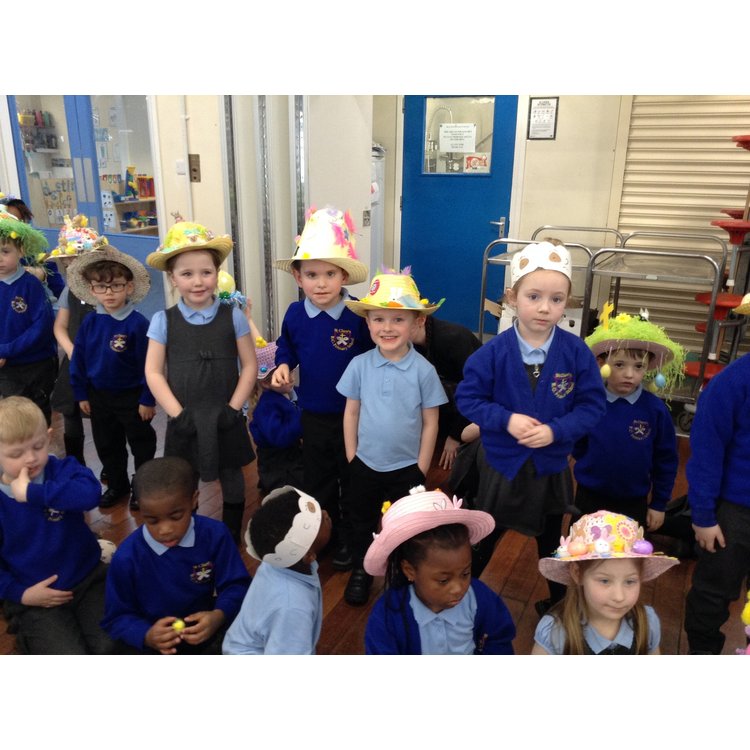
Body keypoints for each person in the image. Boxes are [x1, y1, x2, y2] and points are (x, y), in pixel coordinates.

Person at [455, 241, 607, 605]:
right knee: (488, 534)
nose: (544, 307)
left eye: (556, 299)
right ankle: (460, 600)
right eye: (534, 296)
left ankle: (558, 607)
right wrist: (505, 420)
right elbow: (468, 399)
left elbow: (592, 405)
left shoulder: (575, 352)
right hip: (502, 466)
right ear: (512, 297)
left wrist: (557, 430)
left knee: (552, 540)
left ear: (567, 302)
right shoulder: (491, 352)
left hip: (550, 467)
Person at [336, 268, 448, 605]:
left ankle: (401, 572)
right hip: (365, 462)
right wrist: (352, 456)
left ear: (416, 324)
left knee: (408, 524)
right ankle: (362, 568)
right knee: (360, 518)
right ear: (368, 324)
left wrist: (422, 466)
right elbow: (351, 412)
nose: (387, 327)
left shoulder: (424, 372)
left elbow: (431, 423)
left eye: (398, 320)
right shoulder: (359, 365)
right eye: (379, 319)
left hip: (407, 467)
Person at [271, 206, 372, 570]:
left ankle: (348, 534)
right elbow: (288, 346)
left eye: (330, 273)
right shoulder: (295, 314)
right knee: (318, 479)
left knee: (352, 477)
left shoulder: (358, 315)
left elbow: (374, 359)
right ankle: (323, 532)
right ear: (298, 277)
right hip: (312, 414)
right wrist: (283, 365)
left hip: (354, 416)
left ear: (344, 275)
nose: (322, 283)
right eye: (312, 274)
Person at [145, 220, 257, 543]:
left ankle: (232, 535)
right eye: (187, 274)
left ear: (217, 272)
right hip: (185, 417)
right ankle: (187, 533)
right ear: (172, 278)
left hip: (226, 414)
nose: (198, 282)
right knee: (183, 477)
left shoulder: (232, 315)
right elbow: (153, 372)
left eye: (206, 272)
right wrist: (177, 414)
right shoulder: (162, 321)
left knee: (232, 475)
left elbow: (249, 365)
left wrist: (234, 409)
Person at [101, 456, 251, 654]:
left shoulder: (215, 535)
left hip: (206, 629)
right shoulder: (127, 557)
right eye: (152, 520)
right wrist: (146, 634)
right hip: (152, 640)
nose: (165, 530)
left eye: (176, 516)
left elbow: (237, 585)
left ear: (194, 500)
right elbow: (116, 616)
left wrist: (219, 615)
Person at [0, 396, 113, 654]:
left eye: (38, 446)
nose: (30, 458)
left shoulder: (62, 468)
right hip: (35, 595)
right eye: (16, 454)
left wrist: (34, 494)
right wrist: (22, 594)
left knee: (110, 645)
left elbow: (90, 495)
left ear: (49, 436)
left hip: (87, 578)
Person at [363, 485, 515, 654]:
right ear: (409, 570)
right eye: (443, 580)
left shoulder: (481, 598)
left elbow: (499, 639)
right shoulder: (386, 617)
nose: (459, 588)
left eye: (465, 573)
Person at [573, 308, 684, 529]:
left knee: (628, 556)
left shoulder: (655, 410)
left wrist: (659, 504)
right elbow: (577, 445)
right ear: (601, 363)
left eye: (639, 366)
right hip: (589, 496)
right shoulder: (589, 404)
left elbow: (666, 460)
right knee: (582, 552)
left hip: (634, 501)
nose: (629, 374)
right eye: (619, 365)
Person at [67, 244, 156, 509]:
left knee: (141, 444)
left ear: (129, 287)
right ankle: (118, 484)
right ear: (92, 290)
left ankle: (142, 487)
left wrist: (148, 399)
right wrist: (80, 392)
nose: (109, 292)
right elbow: (79, 360)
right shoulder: (90, 323)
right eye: (101, 287)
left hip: (132, 396)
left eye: (116, 285)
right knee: (107, 445)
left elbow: (150, 366)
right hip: (98, 396)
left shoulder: (138, 324)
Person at [533, 510, 678, 654]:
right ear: (577, 573)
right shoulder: (555, 633)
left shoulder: (647, 622)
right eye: (604, 580)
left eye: (630, 581)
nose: (619, 597)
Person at [684, 351, 750, 654]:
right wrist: (704, 515)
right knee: (713, 590)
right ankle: (702, 654)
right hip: (734, 510)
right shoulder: (735, 380)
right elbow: (707, 449)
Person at [222, 485, 331, 654]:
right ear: (308, 555)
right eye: (319, 521)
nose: (324, 513)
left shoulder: (276, 562)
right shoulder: (293, 607)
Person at [47, 215, 102, 466]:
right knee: (70, 412)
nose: (72, 269)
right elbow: (60, 327)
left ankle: (110, 466)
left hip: (102, 362)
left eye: (78, 262)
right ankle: (75, 463)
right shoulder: (69, 291)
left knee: (103, 414)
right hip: (74, 360)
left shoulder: (104, 289)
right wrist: (71, 350)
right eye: (67, 264)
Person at [0, 207, 57, 425]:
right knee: (15, 414)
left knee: (40, 413)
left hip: (37, 363)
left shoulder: (30, 283)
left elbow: (41, 326)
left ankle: (42, 453)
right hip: (7, 368)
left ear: (21, 251)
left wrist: (6, 349)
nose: (0, 258)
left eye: (5, 251)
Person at [410, 313, 481, 472]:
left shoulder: (452, 338)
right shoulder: (406, 345)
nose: (388, 328)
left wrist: (455, 435)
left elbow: (478, 390)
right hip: (438, 417)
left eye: (398, 319)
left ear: (420, 319)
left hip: (469, 419)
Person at [248, 335, 304, 494]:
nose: (291, 378)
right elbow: (280, 438)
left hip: (291, 460)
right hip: (278, 469)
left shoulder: (290, 393)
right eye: (285, 375)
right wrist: (303, 416)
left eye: (292, 372)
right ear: (266, 382)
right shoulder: (267, 406)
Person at [3, 196, 65, 300]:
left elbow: (55, 281)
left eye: (20, 221)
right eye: (9, 220)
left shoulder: (36, 249)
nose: (16, 225)